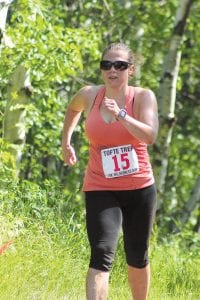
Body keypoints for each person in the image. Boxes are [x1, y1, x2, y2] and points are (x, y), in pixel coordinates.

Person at [62, 42, 159, 300]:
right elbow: (73, 109)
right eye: (107, 65)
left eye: (120, 65)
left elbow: (150, 136)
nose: (112, 70)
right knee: (102, 251)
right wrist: (66, 142)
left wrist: (123, 115)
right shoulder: (90, 94)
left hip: (139, 188)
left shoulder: (142, 96)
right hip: (100, 186)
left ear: (131, 70)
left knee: (137, 254)